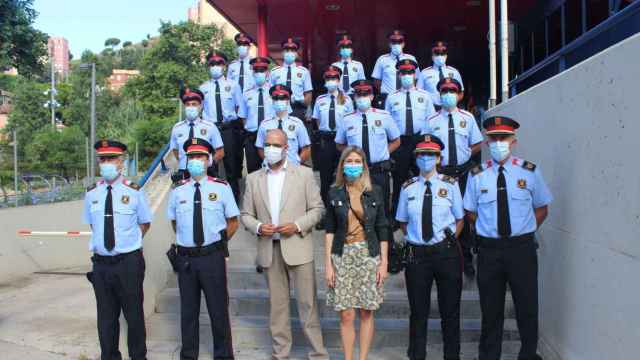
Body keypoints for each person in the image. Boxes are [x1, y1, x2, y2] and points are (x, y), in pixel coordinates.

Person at [464, 116, 552, 360]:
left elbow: (542, 207)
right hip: (489, 250)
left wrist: (524, 228)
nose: (498, 142)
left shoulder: (529, 171)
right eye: (494, 138)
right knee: (490, 310)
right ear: (487, 141)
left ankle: (527, 355)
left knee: (527, 307)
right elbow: (470, 212)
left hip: (521, 249)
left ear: (513, 141)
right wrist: (489, 229)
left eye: (504, 138)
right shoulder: (477, 175)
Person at [241, 129, 328, 360]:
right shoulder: (253, 179)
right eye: (267, 144)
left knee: (307, 305)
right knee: (277, 307)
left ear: (286, 148)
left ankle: (318, 354)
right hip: (270, 249)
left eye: (276, 145)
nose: (271, 149)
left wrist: (298, 225)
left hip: (298, 246)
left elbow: (318, 209)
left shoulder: (304, 175)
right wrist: (259, 227)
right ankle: (281, 354)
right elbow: (246, 215)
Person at [167, 138, 239, 360]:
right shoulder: (178, 190)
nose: (195, 161)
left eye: (199, 156)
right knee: (188, 313)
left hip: (212, 257)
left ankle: (224, 356)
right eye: (191, 157)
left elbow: (233, 221)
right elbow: (174, 222)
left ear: (208, 160)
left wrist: (217, 243)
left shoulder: (222, 188)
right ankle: (189, 355)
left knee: (218, 311)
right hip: (187, 259)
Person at [395, 136, 464, 360]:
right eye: (422, 154)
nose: (426, 158)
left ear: (439, 158)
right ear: (416, 158)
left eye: (431, 154)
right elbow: (403, 222)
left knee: (451, 312)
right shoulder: (408, 188)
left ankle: (452, 356)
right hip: (417, 255)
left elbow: (459, 219)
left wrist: (448, 241)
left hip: (446, 253)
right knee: (418, 313)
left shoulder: (451, 185)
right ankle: (417, 355)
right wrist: (417, 239)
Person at [83, 140, 152, 360]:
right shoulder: (91, 193)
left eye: (111, 158)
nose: (106, 163)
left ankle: (138, 356)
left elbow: (144, 223)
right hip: (102, 264)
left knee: (134, 315)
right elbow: (94, 226)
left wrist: (128, 242)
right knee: (106, 317)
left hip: (128, 263)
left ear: (121, 162)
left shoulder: (134, 191)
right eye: (102, 159)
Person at [324, 146, 389, 360]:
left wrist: (384, 262)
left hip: (368, 254)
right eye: (348, 161)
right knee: (346, 313)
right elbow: (330, 230)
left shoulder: (375, 191)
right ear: (342, 166)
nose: (353, 165)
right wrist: (328, 265)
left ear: (364, 166)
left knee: (366, 311)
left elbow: (382, 227)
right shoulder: (334, 192)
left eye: (356, 161)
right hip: (342, 255)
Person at [424, 77, 483, 277]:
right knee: (445, 214)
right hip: (442, 174)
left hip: (464, 172)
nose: (448, 94)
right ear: (439, 95)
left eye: (452, 90)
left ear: (459, 94)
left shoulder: (468, 118)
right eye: (444, 91)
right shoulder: (431, 121)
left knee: (465, 215)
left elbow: (477, 143)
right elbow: (426, 147)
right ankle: (446, 254)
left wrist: (466, 154)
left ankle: (466, 257)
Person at [335, 79, 400, 245]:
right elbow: (339, 143)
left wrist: (384, 153)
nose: (362, 97)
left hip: (378, 171)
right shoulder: (347, 119)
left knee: (382, 210)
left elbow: (396, 140)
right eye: (358, 94)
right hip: (355, 172)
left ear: (371, 96)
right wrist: (351, 157)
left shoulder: (384, 116)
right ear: (354, 97)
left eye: (365, 94)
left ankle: (388, 250)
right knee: (357, 208)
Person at [385, 59, 436, 220]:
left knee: (423, 176)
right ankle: (397, 217)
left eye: (409, 72)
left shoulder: (425, 96)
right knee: (399, 180)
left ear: (415, 74)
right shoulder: (392, 97)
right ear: (399, 75)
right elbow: (387, 122)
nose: (406, 75)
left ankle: (423, 212)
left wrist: (426, 142)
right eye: (403, 72)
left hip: (419, 141)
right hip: (400, 142)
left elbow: (431, 120)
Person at [312, 65, 354, 225]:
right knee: (325, 179)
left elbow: (351, 120)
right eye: (328, 79)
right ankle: (327, 214)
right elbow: (317, 121)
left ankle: (343, 213)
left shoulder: (347, 99)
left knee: (344, 177)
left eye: (334, 79)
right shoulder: (320, 100)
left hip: (342, 141)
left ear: (338, 80)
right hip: (326, 141)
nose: (331, 81)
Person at [199, 51, 243, 201]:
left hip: (228, 129)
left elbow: (240, 108)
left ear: (224, 66)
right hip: (210, 130)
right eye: (212, 64)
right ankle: (213, 199)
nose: (215, 67)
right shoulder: (203, 88)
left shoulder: (233, 85)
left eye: (218, 64)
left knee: (231, 165)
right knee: (211, 165)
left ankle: (234, 199)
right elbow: (200, 110)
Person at [170, 88, 225, 183]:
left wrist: (207, 164)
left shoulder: (210, 127)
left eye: (194, 104)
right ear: (184, 107)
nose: (190, 107)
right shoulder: (177, 128)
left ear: (200, 106)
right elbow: (175, 150)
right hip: (184, 172)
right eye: (188, 105)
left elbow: (220, 152)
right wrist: (185, 163)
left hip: (206, 172)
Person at [237, 56, 277, 173]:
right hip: (252, 137)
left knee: (272, 169)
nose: (259, 73)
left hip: (271, 137)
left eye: (262, 70)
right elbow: (243, 117)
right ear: (253, 73)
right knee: (253, 171)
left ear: (268, 73)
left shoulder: (276, 93)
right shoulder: (246, 94)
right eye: (257, 71)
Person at [256, 84, 311, 165]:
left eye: (282, 98)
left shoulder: (297, 124)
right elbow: (260, 148)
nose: (279, 101)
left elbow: (306, 148)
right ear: (272, 100)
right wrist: (270, 163)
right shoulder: (264, 124)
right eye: (276, 98)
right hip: (271, 169)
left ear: (288, 100)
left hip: (292, 168)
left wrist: (297, 163)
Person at [371, 30, 419, 108]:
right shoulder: (382, 59)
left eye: (399, 41)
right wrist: (386, 92)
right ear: (389, 43)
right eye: (393, 41)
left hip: (406, 96)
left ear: (403, 43)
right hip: (387, 97)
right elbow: (376, 81)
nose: (397, 44)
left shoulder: (411, 58)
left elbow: (416, 79)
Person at [270, 38, 313, 121]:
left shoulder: (304, 72)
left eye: (292, 50)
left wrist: (300, 100)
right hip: (278, 109)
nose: (289, 53)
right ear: (282, 53)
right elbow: (269, 94)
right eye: (287, 50)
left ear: (296, 54)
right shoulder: (274, 72)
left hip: (297, 109)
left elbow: (309, 96)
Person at [418, 41, 464, 111]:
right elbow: (419, 92)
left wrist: (452, 103)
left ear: (446, 55)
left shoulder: (454, 72)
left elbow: (461, 92)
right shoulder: (424, 73)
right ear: (432, 56)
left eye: (442, 53)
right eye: (437, 53)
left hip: (451, 108)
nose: (440, 56)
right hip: (431, 109)